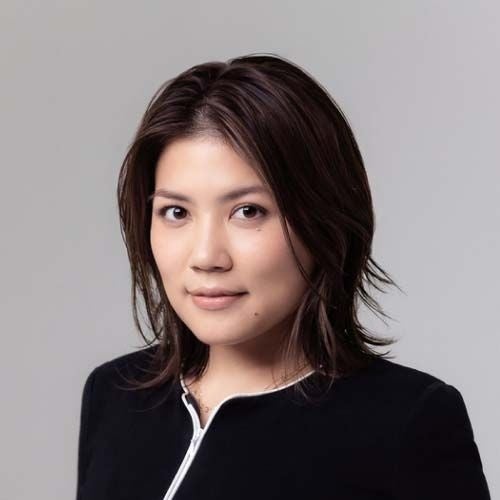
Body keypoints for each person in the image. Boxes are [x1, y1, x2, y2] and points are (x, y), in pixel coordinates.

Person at [75, 53, 491, 500]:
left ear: (322, 218)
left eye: (248, 211)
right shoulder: (115, 393)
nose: (206, 256)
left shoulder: (407, 422)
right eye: (176, 212)